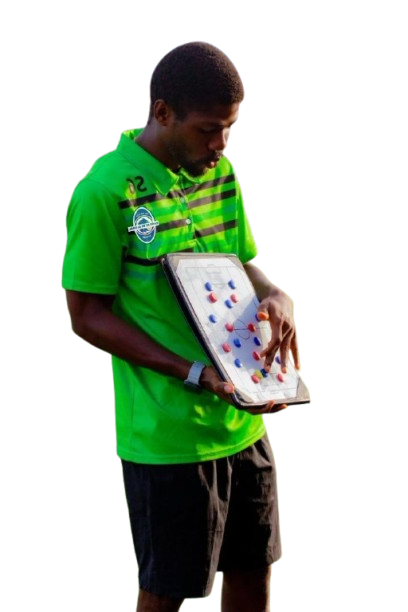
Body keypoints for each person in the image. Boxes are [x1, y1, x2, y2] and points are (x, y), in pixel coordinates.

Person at [61, 41, 300, 612]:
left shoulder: (219, 173)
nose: (221, 144)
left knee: (254, 576)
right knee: (168, 594)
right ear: (162, 112)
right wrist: (192, 372)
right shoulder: (104, 193)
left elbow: (239, 263)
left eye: (230, 129)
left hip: (244, 424)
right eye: (208, 130)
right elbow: (86, 316)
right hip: (167, 440)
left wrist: (277, 295)